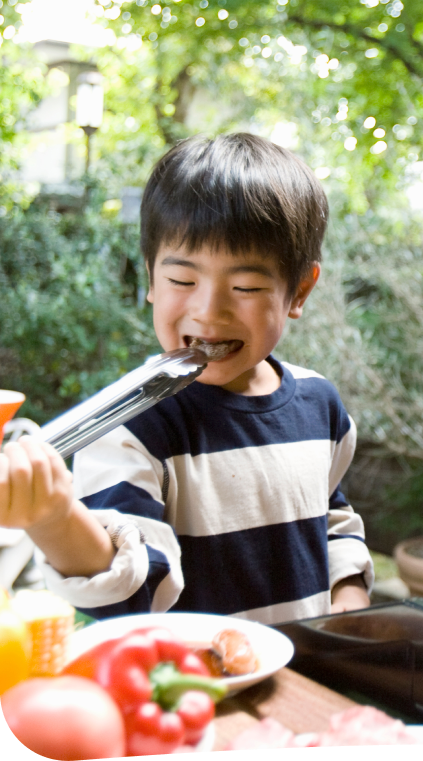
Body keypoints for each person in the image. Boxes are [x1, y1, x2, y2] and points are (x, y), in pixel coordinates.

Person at [0, 134, 373, 622]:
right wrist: (53, 518)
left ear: (298, 291)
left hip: (308, 680)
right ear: (151, 280)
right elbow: (128, 589)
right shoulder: (131, 427)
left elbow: (329, 516)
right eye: (182, 280)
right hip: (190, 689)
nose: (209, 308)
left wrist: (350, 597)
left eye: (246, 286)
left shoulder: (319, 404)